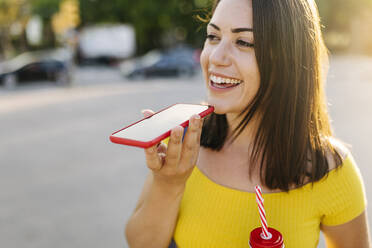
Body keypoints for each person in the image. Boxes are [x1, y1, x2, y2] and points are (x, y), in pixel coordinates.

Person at [125, 0, 371, 247]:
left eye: (243, 42)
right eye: (213, 36)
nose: (215, 57)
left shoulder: (331, 171)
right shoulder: (182, 140)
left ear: (287, 59)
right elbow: (140, 243)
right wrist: (169, 184)